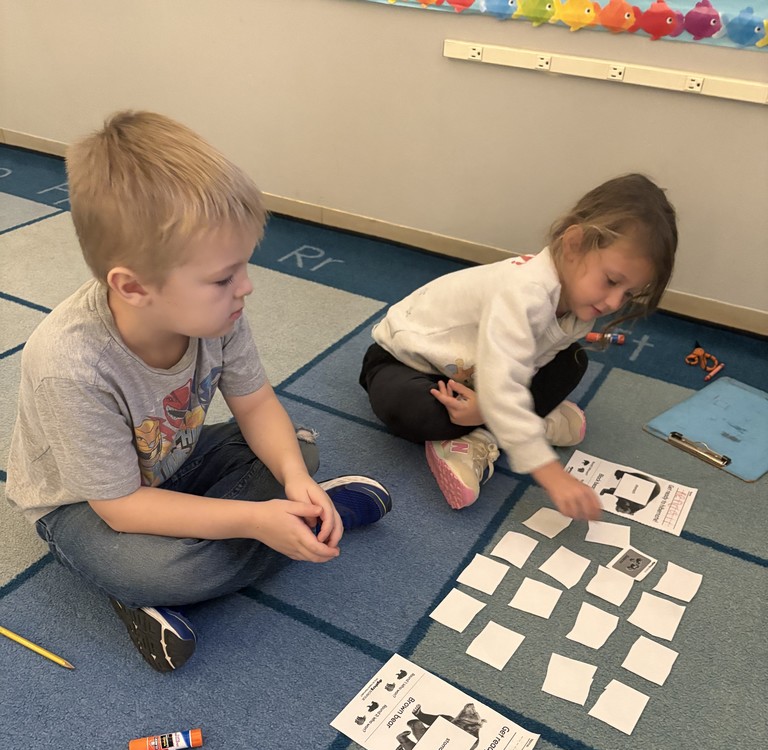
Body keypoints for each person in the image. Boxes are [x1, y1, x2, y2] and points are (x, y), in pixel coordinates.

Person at [6, 110, 392, 673]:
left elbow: (256, 403)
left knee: (298, 451)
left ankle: (280, 519)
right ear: (133, 287)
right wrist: (253, 521)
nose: (246, 287)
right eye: (222, 278)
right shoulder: (72, 366)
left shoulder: (219, 314)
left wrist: (295, 478)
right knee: (154, 569)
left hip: (171, 462)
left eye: (242, 268)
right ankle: (178, 574)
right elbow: (121, 507)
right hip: (85, 506)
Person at [359, 173, 677, 519]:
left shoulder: (580, 306)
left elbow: (522, 365)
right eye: (612, 281)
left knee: (572, 361)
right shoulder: (525, 293)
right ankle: (483, 435)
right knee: (411, 409)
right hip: (407, 362)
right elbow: (504, 377)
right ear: (574, 244)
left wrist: (489, 406)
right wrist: (551, 473)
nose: (615, 302)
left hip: (479, 370)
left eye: (628, 294)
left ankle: (499, 424)